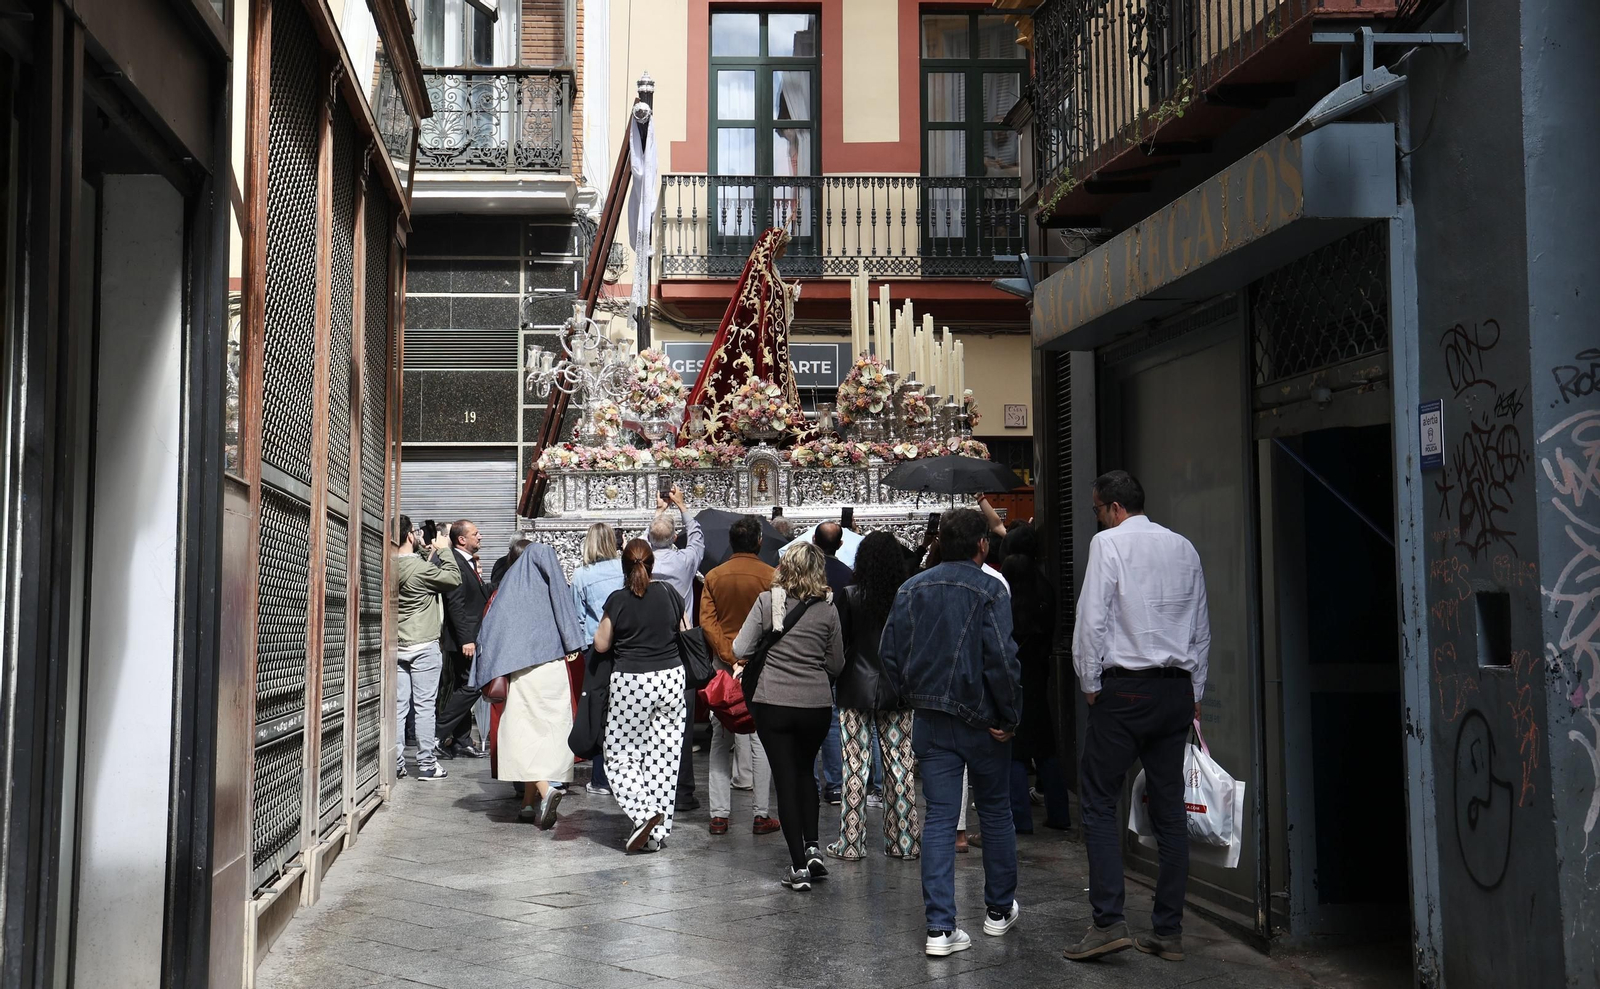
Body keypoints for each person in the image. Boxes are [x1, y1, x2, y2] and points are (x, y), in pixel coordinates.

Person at [1063, 470, 1210, 963]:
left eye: (1096, 510)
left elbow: (1092, 619)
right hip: (1175, 692)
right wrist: (1196, 691)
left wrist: (1090, 683)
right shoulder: (1184, 548)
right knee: (1170, 811)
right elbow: (1201, 629)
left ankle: (1107, 920)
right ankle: (1167, 931)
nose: (1097, 519)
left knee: (1101, 799)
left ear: (1113, 508)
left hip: (1124, 689)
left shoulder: (1109, 546)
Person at [880, 508, 1022, 957]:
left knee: (940, 817)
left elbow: (890, 653)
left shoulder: (910, 588)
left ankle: (940, 927)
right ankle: (998, 910)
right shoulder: (989, 589)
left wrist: (910, 695)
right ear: (983, 544)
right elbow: (1001, 657)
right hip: (982, 718)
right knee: (996, 811)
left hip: (931, 719)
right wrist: (1009, 714)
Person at [733, 543, 845, 891]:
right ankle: (812, 847)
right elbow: (836, 664)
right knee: (805, 773)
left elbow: (740, 649)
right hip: (815, 705)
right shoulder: (828, 610)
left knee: (784, 778)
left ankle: (798, 866)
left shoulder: (768, 603)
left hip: (773, 703)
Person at [470, 538, 585, 827]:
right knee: (548, 737)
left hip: (523, 672)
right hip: (555, 667)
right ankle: (527, 806)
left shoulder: (509, 591)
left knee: (519, 738)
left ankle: (545, 793)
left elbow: (490, 632)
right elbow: (566, 617)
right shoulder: (550, 586)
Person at [829, 531, 920, 862]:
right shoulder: (907, 595)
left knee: (854, 765)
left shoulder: (850, 595)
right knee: (899, 766)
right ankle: (904, 841)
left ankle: (851, 843)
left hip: (855, 687)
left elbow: (839, 644)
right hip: (897, 689)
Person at [593, 540, 689, 853]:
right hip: (671, 678)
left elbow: (601, 645)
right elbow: (684, 630)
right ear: (652, 564)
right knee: (664, 757)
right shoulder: (670, 593)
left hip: (632, 681)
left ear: (625, 566)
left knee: (620, 753)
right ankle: (656, 835)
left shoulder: (618, 600)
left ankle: (644, 813)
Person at [699, 515, 780, 836]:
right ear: (759, 542)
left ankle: (719, 814)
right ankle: (761, 814)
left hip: (724, 668)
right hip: (760, 666)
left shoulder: (714, 577)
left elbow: (707, 622)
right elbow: (777, 622)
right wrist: (749, 654)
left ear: (731, 543)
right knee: (761, 740)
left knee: (721, 738)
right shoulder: (771, 577)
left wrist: (729, 654)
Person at [1000, 524, 1071, 833]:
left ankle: (1019, 817)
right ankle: (1060, 813)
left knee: (1014, 747)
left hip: (1011, 674)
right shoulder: (1045, 586)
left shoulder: (1005, 587)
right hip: (1039, 671)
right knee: (1045, 746)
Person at [646, 485, 706, 815]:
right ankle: (682, 789)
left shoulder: (643, 563)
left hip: (647, 645)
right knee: (679, 722)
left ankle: (654, 789)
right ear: (673, 540)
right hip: (679, 647)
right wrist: (682, 507)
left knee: (650, 721)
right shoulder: (684, 561)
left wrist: (658, 513)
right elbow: (697, 538)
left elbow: (643, 544)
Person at [394, 516, 461, 781]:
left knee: (399, 708)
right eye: (415, 532)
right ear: (410, 536)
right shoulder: (421, 570)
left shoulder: (388, 566)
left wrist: (423, 547)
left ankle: (395, 762)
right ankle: (427, 764)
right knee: (424, 707)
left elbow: (416, 563)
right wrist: (444, 550)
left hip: (397, 645)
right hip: (423, 646)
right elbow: (453, 578)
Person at [571, 523, 625, 796]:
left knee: (598, 712)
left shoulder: (581, 575)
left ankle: (601, 777)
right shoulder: (623, 570)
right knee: (624, 710)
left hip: (597, 648)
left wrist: (581, 650)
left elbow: (577, 617)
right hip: (626, 647)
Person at [436, 519, 490, 759]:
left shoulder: (468, 563)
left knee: (462, 686)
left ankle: (461, 740)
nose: (481, 537)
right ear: (462, 539)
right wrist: (466, 639)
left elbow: (476, 597)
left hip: (468, 636)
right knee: (473, 685)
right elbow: (456, 605)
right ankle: (438, 734)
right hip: (464, 639)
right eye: (476, 534)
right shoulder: (456, 563)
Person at [811, 522, 851, 806]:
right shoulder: (848, 575)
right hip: (837, 654)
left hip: (809, 655)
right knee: (834, 723)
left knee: (809, 722)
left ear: (814, 541)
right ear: (839, 545)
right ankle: (835, 786)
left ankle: (810, 784)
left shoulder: (808, 573)